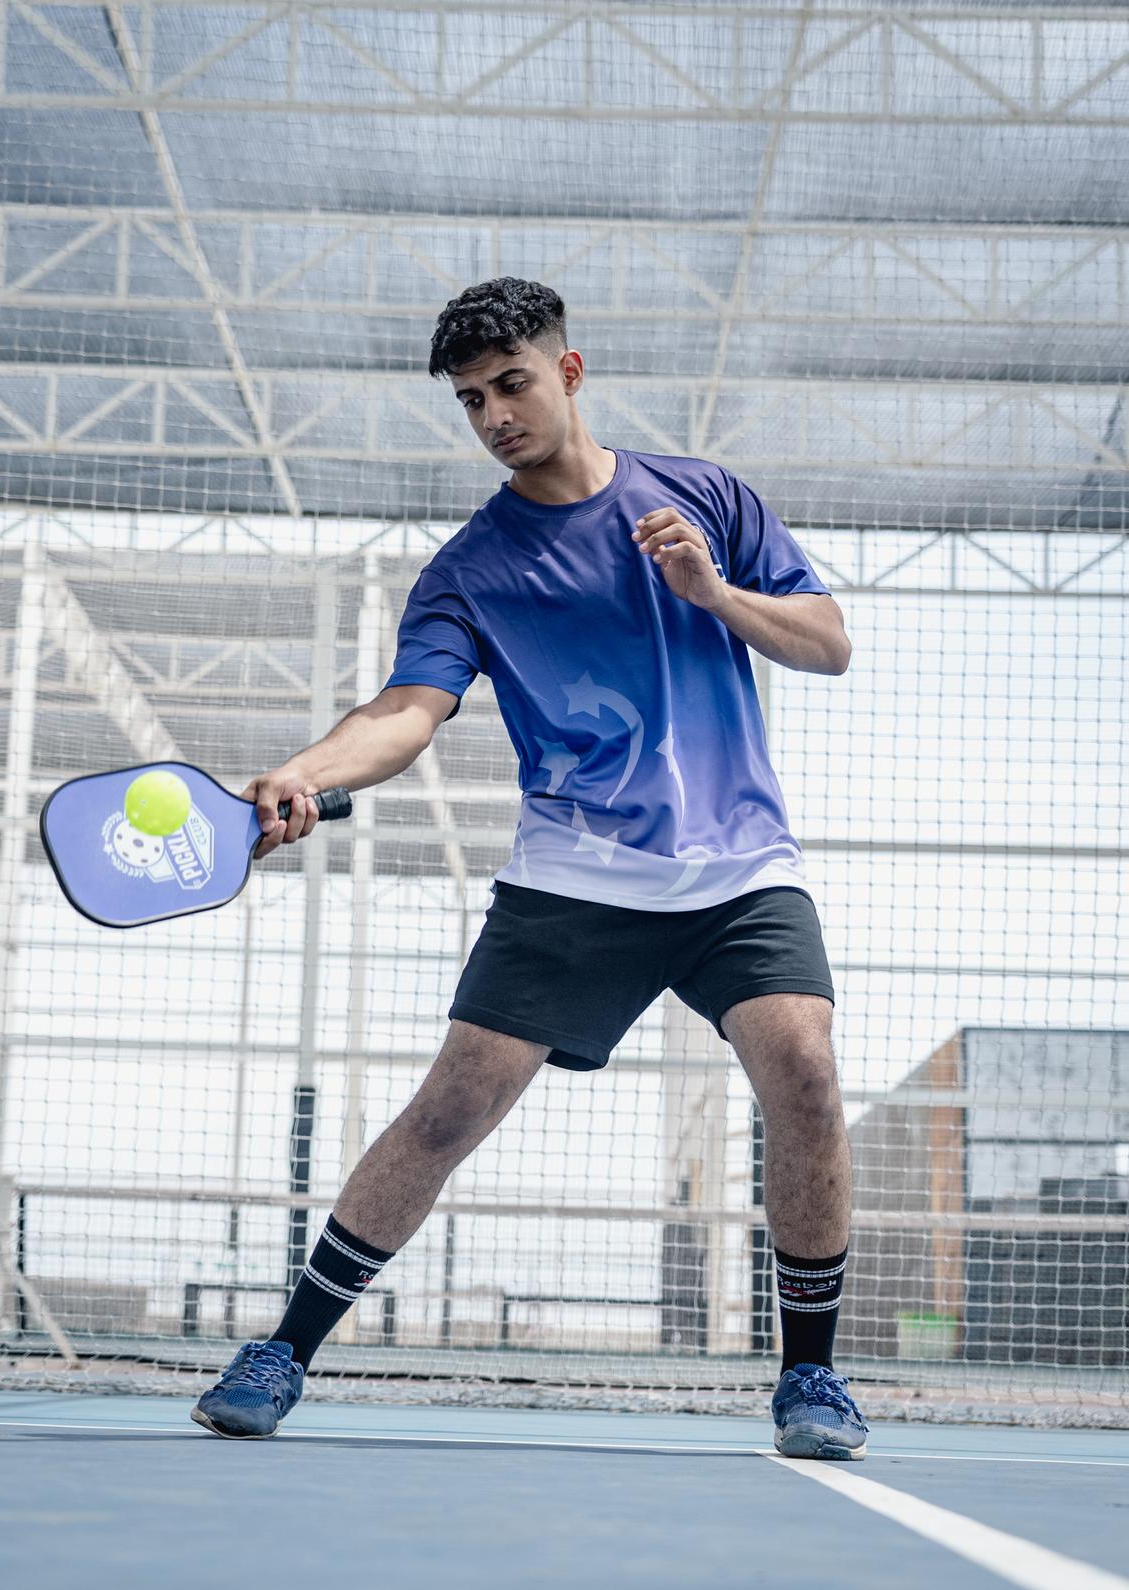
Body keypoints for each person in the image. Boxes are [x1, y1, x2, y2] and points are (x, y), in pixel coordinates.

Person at [192, 277, 867, 1459]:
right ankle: (283, 1353)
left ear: (570, 372)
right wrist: (306, 770)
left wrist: (712, 591)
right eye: (470, 400)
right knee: (450, 1109)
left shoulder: (706, 499)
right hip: (576, 878)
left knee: (805, 1069)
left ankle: (810, 1380)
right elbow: (408, 710)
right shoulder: (471, 568)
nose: (494, 412)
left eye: (511, 383)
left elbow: (829, 643)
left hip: (740, 869)